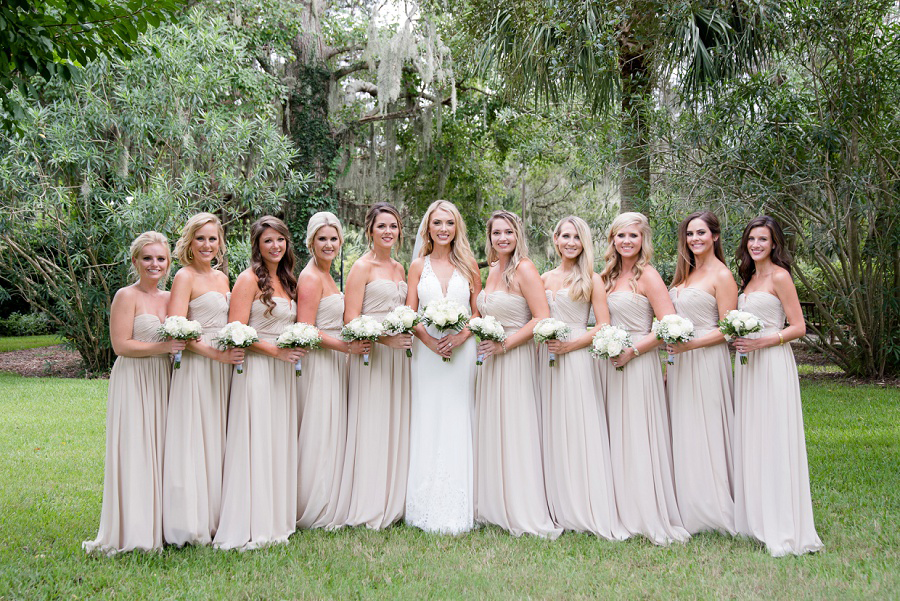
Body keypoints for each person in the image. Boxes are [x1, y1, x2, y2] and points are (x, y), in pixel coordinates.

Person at [84, 232, 184, 555]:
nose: (154, 264)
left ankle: (167, 525)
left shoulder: (171, 298)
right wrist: (164, 347)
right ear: (135, 262)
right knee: (137, 449)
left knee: (163, 451)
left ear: (169, 263)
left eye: (160, 258)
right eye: (148, 258)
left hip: (165, 379)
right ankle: (137, 530)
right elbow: (121, 345)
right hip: (135, 378)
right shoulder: (126, 296)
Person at [732, 216, 824, 556]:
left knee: (774, 438)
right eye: (752, 239)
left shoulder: (780, 276)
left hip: (771, 363)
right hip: (747, 367)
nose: (756, 244)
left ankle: (783, 524)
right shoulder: (749, 278)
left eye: (763, 240)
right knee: (753, 437)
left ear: (774, 244)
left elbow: (799, 327)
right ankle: (757, 517)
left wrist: (762, 342)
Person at [599, 212, 689, 545]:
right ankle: (619, 507)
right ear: (612, 240)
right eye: (620, 236)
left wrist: (633, 351)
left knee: (637, 433)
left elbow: (669, 326)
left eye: (632, 236)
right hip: (610, 363)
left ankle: (644, 511)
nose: (626, 242)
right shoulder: (606, 276)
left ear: (642, 240)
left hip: (639, 363)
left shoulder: (648, 276)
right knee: (615, 433)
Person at [214, 216, 304, 550]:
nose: (275, 246)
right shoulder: (248, 279)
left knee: (277, 440)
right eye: (268, 241)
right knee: (256, 441)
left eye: (280, 239)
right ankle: (250, 520)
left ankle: (276, 516)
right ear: (257, 245)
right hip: (257, 370)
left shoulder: (287, 280)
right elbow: (235, 333)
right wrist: (275, 352)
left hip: (283, 372)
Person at [538, 216, 627, 540]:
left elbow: (603, 324)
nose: (570, 242)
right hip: (545, 359)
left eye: (576, 237)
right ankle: (554, 502)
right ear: (556, 239)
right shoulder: (543, 277)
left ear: (583, 242)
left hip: (576, 359)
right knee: (551, 427)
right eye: (565, 236)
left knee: (578, 427)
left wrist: (571, 344)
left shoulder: (592, 279)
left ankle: (584, 503)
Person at [474, 210, 561, 539]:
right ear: (490, 237)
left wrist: (505, 344)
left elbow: (541, 317)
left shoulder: (524, 268)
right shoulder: (493, 269)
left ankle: (522, 506)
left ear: (517, 234)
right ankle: (495, 503)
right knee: (494, 427)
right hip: (490, 361)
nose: (503, 238)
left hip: (514, 357)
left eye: (508, 232)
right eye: (497, 233)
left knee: (516, 428)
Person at [330, 202, 412, 530]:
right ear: (370, 230)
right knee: (371, 424)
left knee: (394, 422)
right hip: (372, 353)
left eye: (393, 226)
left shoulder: (400, 268)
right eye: (382, 226)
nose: (388, 232)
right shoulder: (361, 267)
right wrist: (384, 339)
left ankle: (393, 499)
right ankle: (367, 502)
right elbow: (350, 318)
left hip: (399, 358)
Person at [163, 213, 241, 546]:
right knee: (194, 437)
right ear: (189, 243)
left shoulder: (223, 279)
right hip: (197, 366)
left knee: (217, 439)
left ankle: (215, 516)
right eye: (201, 239)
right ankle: (189, 522)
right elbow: (176, 331)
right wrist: (215, 354)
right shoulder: (184, 277)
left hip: (222, 369)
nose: (207, 245)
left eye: (213, 239)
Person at [404, 200, 481, 534]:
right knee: (428, 416)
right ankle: (423, 506)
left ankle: (458, 505)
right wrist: (429, 340)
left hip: (462, 352)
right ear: (428, 228)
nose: (444, 229)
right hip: (427, 354)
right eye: (437, 223)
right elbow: (410, 312)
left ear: (457, 227)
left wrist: (463, 336)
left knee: (457, 416)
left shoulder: (469, 265)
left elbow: (478, 311)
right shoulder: (418, 266)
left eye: (449, 223)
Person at [666, 211, 738, 535]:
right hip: (679, 364)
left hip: (707, 362)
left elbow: (729, 330)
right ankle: (686, 503)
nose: (695, 239)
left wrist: (690, 346)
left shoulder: (722, 275)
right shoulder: (685, 275)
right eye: (690, 234)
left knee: (707, 431)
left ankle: (713, 507)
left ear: (715, 236)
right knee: (683, 429)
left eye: (701, 233)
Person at [296, 212, 358, 529]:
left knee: (331, 429)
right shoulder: (310, 277)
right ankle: (312, 504)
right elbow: (306, 329)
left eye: (333, 239)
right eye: (322, 239)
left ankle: (329, 497)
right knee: (318, 430)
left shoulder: (329, 275)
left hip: (334, 360)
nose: (329, 244)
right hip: (319, 362)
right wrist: (344, 347)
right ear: (311, 242)